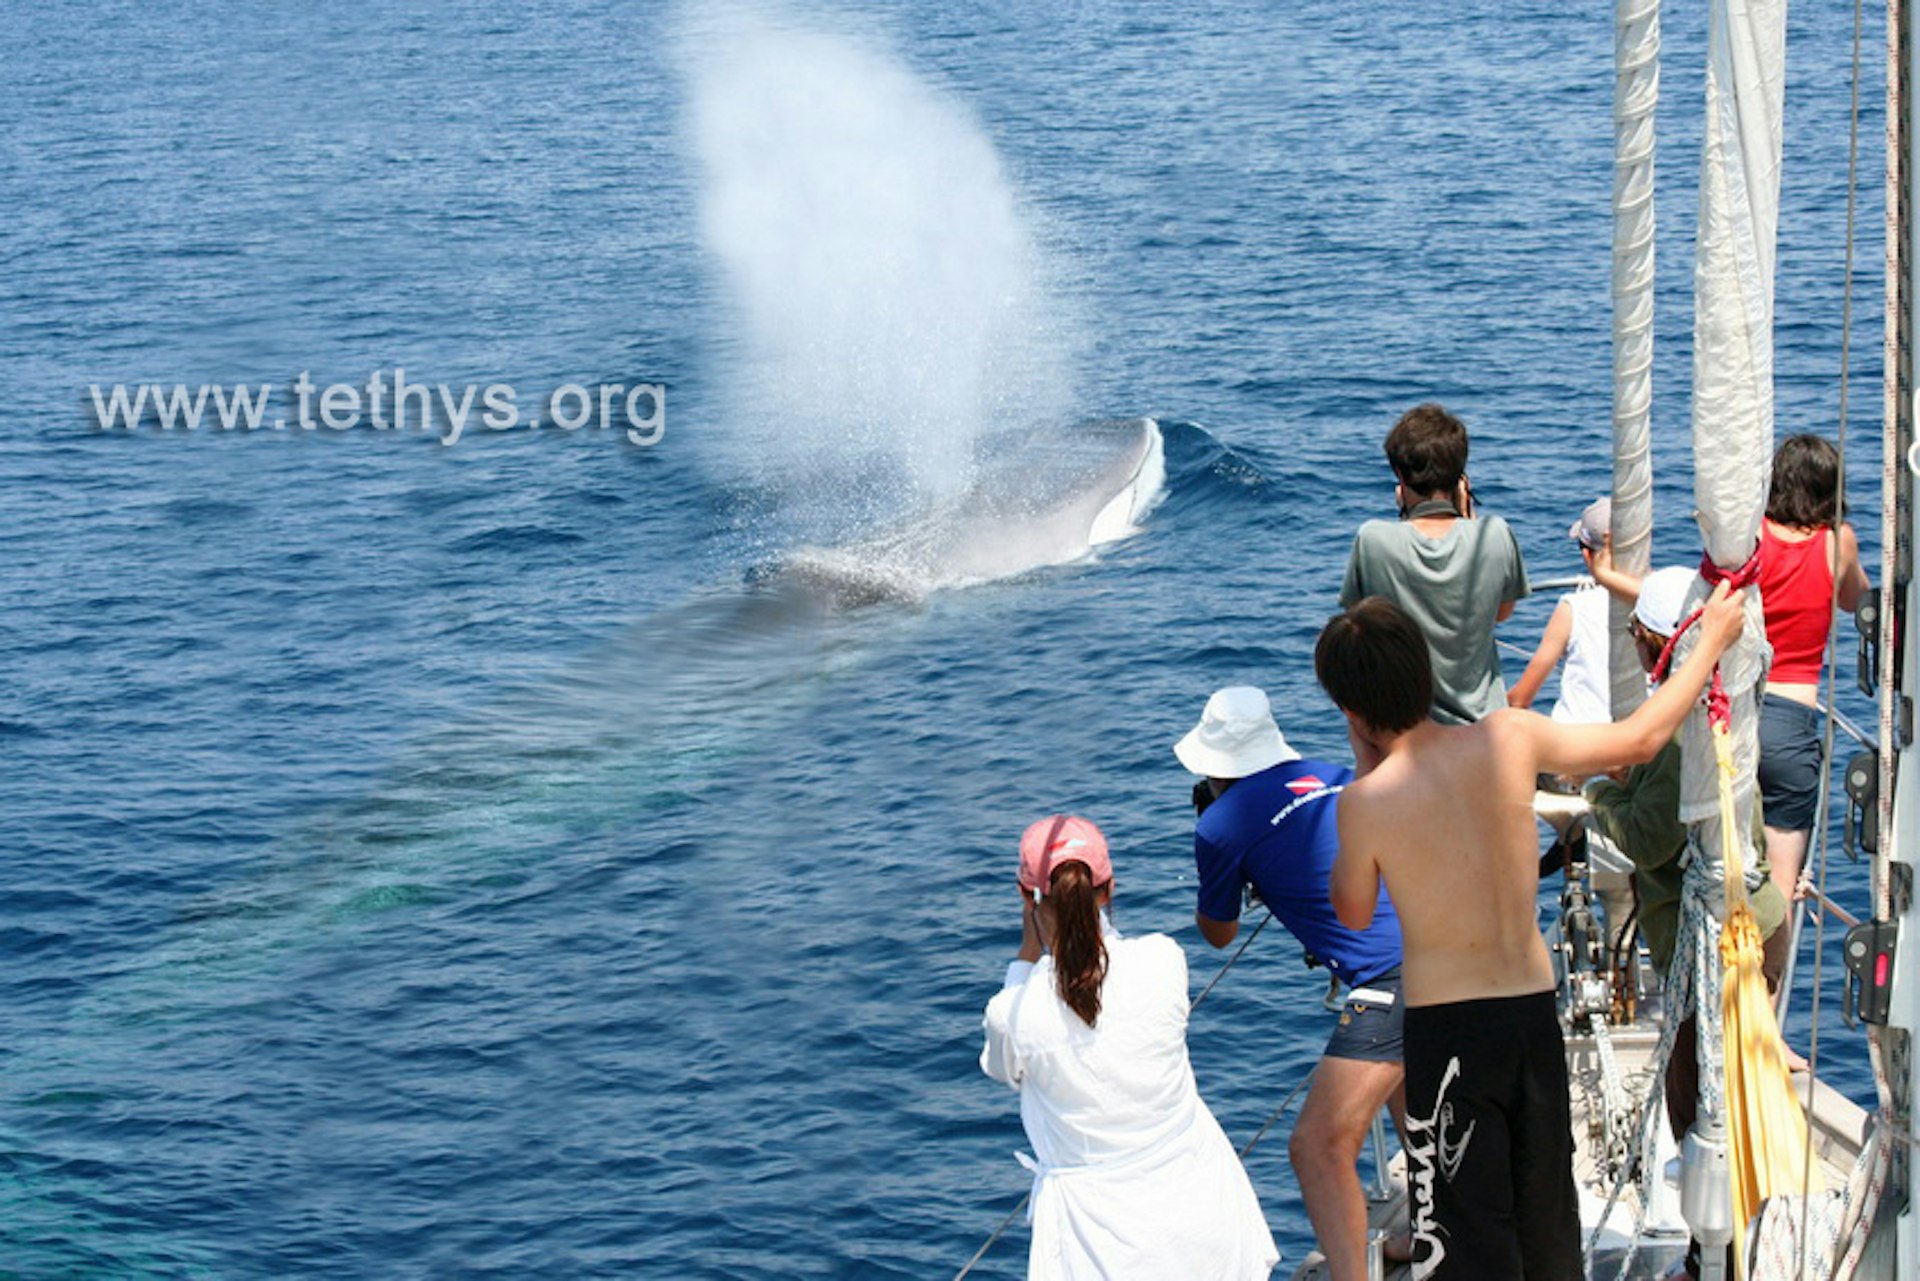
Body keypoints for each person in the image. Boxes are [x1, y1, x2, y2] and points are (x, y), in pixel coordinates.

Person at [1314, 584, 1747, 1279]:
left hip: (1447, 1035)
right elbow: (1638, 740)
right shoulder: (1508, 736)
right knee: (1548, 1214)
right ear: (1424, 676)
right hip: (1528, 1020)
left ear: (1352, 711)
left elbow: (1354, 911)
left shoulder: (1365, 802)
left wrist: (1365, 769)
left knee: (1467, 1231)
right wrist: (1714, 641)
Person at [1581, 568, 1790, 1281]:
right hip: (1750, 924)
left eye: (1639, 639)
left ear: (1654, 643)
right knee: (1725, 1094)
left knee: (1699, 1097)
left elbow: (1646, 837)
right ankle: (1726, 1248)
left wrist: (1594, 792)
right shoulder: (1710, 697)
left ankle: (1718, 1258)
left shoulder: (1678, 733)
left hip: (1718, 941)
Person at [981, 815, 1278, 1281]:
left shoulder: (1015, 1013)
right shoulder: (1164, 960)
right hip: (1201, 1209)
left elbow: (1002, 1068)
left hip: (1097, 1241)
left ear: (1027, 897)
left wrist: (1024, 958)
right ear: (1109, 888)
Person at [1174, 686, 1407, 1281]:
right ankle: (1432, 1232)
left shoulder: (1221, 826)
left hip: (1389, 982)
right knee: (1414, 1102)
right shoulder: (1333, 775)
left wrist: (1230, 867)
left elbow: (1219, 932)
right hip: (1436, 952)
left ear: (1212, 768)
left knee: (1316, 1147)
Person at [1340, 403, 1529, 725]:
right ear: (1459, 476)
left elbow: (1361, 623)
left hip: (1407, 730)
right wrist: (1469, 520)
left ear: (1400, 474)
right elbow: (1501, 612)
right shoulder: (1494, 533)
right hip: (1484, 731)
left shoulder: (1373, 539)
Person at [1756, 434, 1870, 902]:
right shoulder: (1836, 543)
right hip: (1790, 723)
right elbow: (1855, 600)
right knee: (1780, 891)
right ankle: (1764, 976)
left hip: (1734, 712)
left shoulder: (1753, 534)